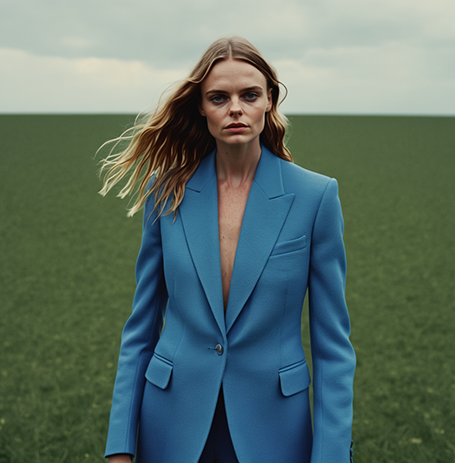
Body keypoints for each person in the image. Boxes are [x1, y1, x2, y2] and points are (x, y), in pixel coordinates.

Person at [98, 36, 355, 463]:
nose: (235, 108)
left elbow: (333, 347)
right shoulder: (166, 194)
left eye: (249, 95)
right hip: (170, 426)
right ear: (201, 106)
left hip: (273, 431)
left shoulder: (316, 197)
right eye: (219, 97)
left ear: (269, 100)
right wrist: (121, 446)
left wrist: (330, 456)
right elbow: (140, 329)